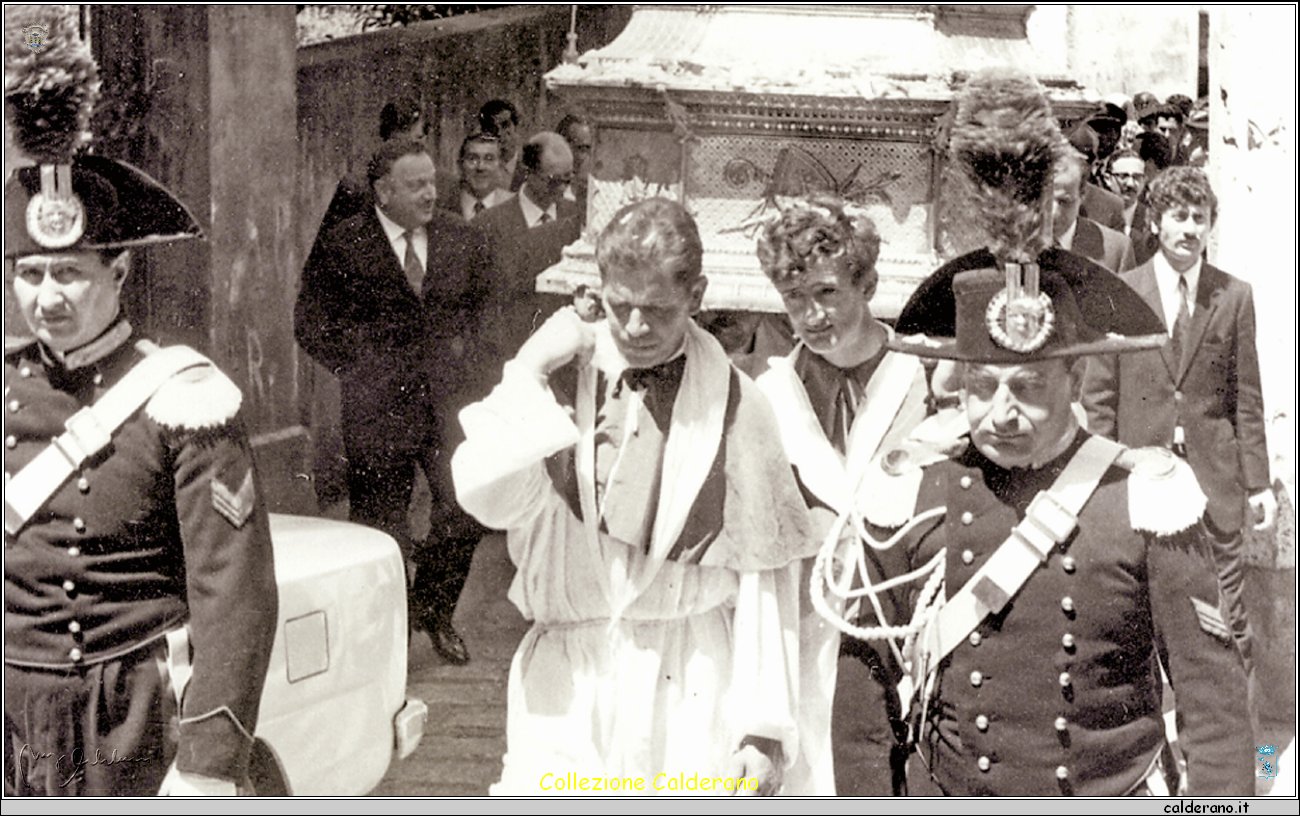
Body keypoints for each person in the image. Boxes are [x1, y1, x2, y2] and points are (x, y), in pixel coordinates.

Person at [873, 67, 1253, 797]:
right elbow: (863, 715)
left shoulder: (1147, 504)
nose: (1003, 412)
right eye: (982, 387)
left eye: (1030, 387)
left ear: (1076, 382)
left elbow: (1212, 711)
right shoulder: (908, 502)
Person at [451, 198, 816, 795]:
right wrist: (531, 365)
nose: (638, 327)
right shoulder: (559, 379)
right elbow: (488, 498)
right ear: (599, 291)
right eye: (621, 306)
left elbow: (765, 575)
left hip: (692, 674)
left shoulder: (739, 405)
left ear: (696, 296)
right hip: (569, 678)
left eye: (658, 309)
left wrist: (762, 729)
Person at [3, 23, 277, 795]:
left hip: (131, 719)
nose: (47, 298)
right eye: (29, 275)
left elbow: (236, 595)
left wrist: (209, 764)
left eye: (69, 273)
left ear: (119, 271)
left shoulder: (185, 398)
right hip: (10, 718)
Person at [751, 196, 929, 795]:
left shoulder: (923, 376)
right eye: (794, 299)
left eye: (827, 293)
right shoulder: (770, 396)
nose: (812, 315)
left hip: (906, 636)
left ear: (868, 283)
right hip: (810, 638)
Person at [294, 139, 493, 666]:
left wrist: (466, 368)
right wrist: (358, 367)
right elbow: (310, 321)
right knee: (382, 526)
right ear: (383, 192)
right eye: (415, 185)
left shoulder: (459, 238)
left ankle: (433, 607)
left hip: (448, 402)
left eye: (432, 181)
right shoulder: (345, 243)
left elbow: (480, 313)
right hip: (378, 407)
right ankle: (387, 637)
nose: (431, 193)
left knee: (467, 503)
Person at [1083, 166, 1276, 679]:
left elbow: (1247, 397)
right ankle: (1161, 748)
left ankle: (1250, 754)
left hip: (1217, 484)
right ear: (1155, 222)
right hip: (1143, 485)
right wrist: (1106, 482)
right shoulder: (1119, 292)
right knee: (1141, 620)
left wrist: (1257, 483)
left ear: (1211, 225)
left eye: (1200, 217)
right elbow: (1100, 397)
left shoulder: (1233, 296)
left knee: (1230, 623)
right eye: (1178, 216)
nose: (1190, 228)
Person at [475, 131, 582, 364]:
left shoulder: (577, 219)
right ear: (527, 172)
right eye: (554, 180)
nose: (562, 189)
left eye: (568, 179)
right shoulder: (488, 226)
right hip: (508, 358)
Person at [317, 96, 427, 238]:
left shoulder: (436, 191)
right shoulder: (354, 188)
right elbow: (326, 250)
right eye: (397, 143)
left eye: (417, 141)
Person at [1051, 150, 1136, 273]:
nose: (1054, 212)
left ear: (1082, 195)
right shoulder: (1016, 244)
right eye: (1045, 201)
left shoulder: (1116, 251)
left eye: (1064, 202)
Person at [437, 131, 513, 221]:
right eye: (472, 158)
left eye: (489, 159)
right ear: (460, 165)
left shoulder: (514, 207)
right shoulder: (440, 207)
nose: (481, 167)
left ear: (500, 165)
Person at [556, 112, 594, 222]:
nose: (587, 157)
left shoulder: (594, 193)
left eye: (589, 149)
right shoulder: (543, 189)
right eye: (581, 148)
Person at [478, 98, 522, 191]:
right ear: (483, 133)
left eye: (505, 125)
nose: (499, 133)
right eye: (492, 128)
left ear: (516, 127)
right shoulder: (477, 171)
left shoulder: (532, 171)